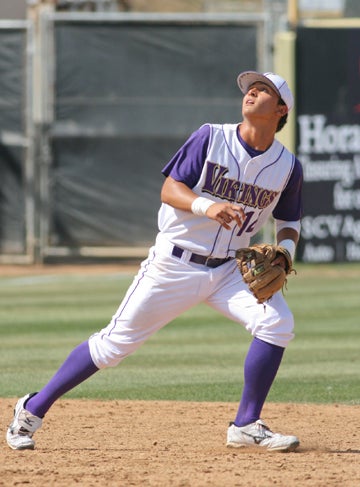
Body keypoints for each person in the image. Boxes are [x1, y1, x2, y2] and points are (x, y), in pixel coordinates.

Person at [6, 70, 303, 452]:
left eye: (263, 90)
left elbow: (289, 219)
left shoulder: (287, 166)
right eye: (250, 88)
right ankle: (31, 409)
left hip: (231, 268)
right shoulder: (211, 137)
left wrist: (286, 252)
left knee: (277, 323)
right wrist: (206, 206)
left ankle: (246, 424)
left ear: (281, 109)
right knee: (112, 347)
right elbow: (169, 188)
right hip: (175, 264)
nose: (251, 93)